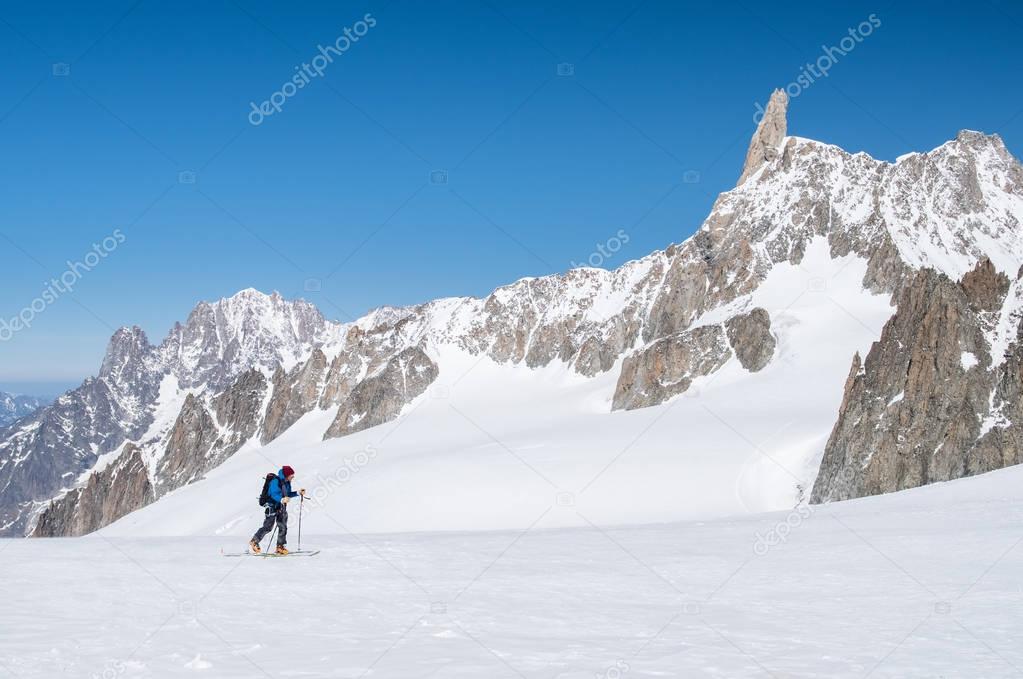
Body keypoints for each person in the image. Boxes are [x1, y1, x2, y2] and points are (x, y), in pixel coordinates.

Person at [250, 465, 305, 555]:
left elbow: (287, 494)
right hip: (271, 506)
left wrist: (297, 493)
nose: (293, 477)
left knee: (283, 526)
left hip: (281, 506)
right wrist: (282, 499)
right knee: (268, 527)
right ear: (287, 475)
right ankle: (254, 541)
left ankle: (280, 546)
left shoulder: (287, 482)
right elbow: (273, 494)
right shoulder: (276, 481)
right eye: (291, 475)